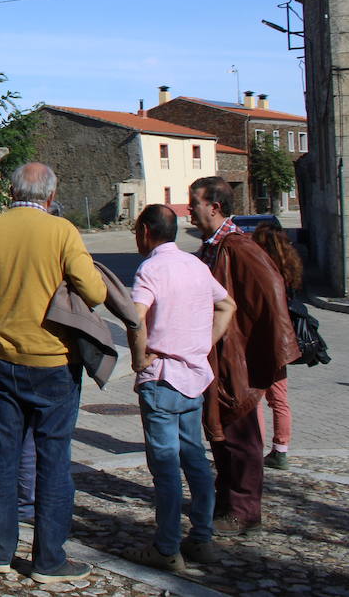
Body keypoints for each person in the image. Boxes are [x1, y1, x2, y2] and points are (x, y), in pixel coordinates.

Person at [0, 162, 105, 583]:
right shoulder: (61, 232)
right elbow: (95, 291)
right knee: (53, 460)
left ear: (10, 191)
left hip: (1, 359)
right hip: (53, 362)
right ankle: (48, 560)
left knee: (3, 458)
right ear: (49, 194)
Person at [123, 204, 236, 571]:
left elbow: (136, 318)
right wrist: (203, 345)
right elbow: (227, 306)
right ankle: (201, 538)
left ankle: (167, 546)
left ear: (145, 232)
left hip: (163, 378)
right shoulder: (196, 266)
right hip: (194, 377)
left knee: (166, 466)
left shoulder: (151, 268)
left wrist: (139, 358)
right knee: (195, 460)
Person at [187, 177, 301, 536]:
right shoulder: (212, 247)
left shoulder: (239, 247)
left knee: (242, 438)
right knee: (221, 435)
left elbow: (271, 294)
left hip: (235, 359)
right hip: (215, 357)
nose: (189, 210)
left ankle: (244, 511)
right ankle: (226, 503)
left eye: (195, 203)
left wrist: (262, 353)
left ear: (214, 207)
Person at [250, 224, 300, 470]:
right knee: (279, 398)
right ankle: (281, 449)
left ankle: (256, 448)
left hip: (261, 341)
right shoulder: (288, 270)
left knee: (256, 397)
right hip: (283, 342)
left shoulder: (261, 271)